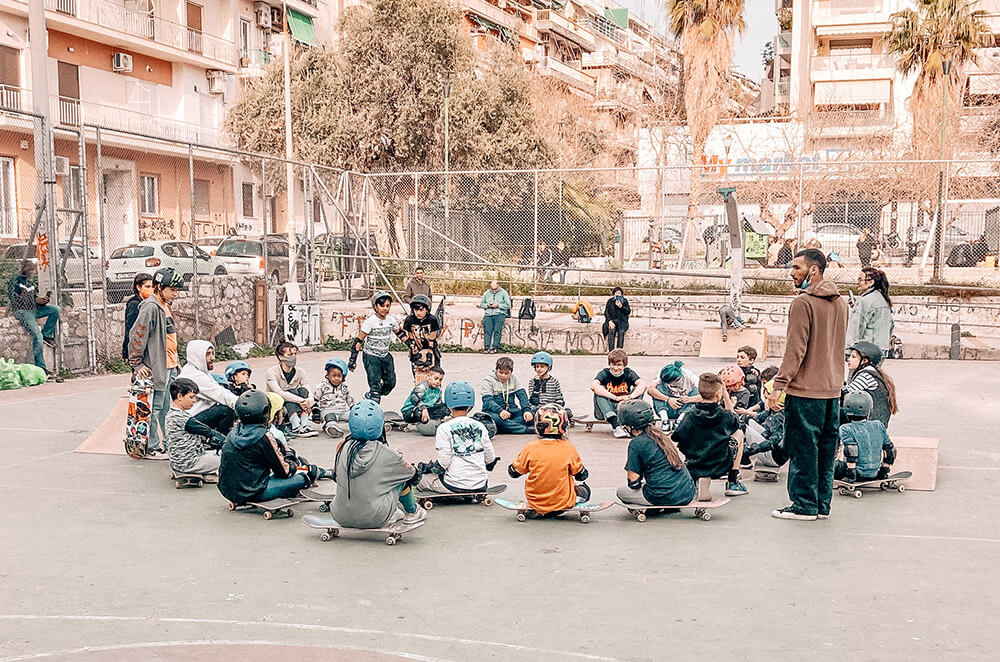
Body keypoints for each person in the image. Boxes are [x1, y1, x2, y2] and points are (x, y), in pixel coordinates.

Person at [768, 248, 848, 521]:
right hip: (832, 390)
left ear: (813, 270)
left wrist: (779, 384)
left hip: (805, 391)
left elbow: (795, 349)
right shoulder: (841, 303)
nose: (791, 273)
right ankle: (821, 505)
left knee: (803, 448)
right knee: (826, 450)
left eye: (796, 267)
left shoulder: (802, 303)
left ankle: (803, 505)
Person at [330, 400, 426, 528]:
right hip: (375, 518)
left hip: (339, 516)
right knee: (401, 478)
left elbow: (336, 477)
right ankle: (413, 512)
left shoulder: (342, 447)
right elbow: (412, 475)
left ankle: (388, 512)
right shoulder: (388, 454)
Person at [217, 390, 318, 506]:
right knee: (302, 478)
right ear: (266, 412)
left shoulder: (232, 433)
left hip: (227, 492)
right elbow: (284, 472)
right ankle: (311, 473)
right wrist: (290, 457)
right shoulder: (264, 436)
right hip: (255, 492)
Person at [128, 267, 183, 455]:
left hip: (170, 365)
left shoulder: (165, 305)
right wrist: (137, 363)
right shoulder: (150, 307)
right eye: (172, 290)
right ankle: (151, 446)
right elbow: (137, 335)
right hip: (157, 367)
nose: (175, 294)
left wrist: (176, 361)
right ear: (159, 287)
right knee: (154, 408)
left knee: (168, 408)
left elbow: (169, 337)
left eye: (177, 290)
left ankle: (169, 443)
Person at [671, 373, 748, 499]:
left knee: (695, 435)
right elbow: (735, 421)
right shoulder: (724, 416)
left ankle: (694, 479)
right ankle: (733, 481)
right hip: (720, 464)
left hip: (694, 462)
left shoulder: (689, 416)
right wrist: (725, 395)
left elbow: (677, 436)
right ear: (718, 393)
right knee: (739, 434)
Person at [507, 404, 592, 517]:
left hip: (536, 502)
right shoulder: (568, 448)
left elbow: (513, 473)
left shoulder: (530, 447)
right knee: (585, 490)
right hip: (562, 503)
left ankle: (543, 507)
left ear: (538, 426)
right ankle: (561, 503)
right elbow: (582, 475)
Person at [416, 381, 499, 494]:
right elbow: (490, 458)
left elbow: (444, 461)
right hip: (480, 484)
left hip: (453, 485)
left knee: (421, 481)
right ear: (471, 405)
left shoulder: (444, 428)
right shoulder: (480, 426)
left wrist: (432, 469)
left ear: (448, 405)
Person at [616, 400, 697, 508]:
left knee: (621, 491)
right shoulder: (661, 436)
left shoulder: (636, 443)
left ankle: (655, 507)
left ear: (629, 426)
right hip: (687, 493)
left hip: (662, 496)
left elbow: (633, 482)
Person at [7, 261, 61, 379]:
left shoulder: (30, 283)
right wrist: (35, 301)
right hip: (22, 312)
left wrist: (41, 300)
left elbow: (33, 298)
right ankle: (41, 368)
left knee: (55, 310)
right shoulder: (15, 281)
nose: (30, 271)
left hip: (33, 309)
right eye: (29, 269)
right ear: (23, 268)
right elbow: (16, 300)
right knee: (37, 336)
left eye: (32, 269)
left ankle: (47, 334)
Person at [349, 291, 406, 403]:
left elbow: (400, 334)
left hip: (385, 356)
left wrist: (413, 347)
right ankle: (373, 405)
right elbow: (358, 341)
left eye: (388, 306)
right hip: (371, 357)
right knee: (375, 386)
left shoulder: (391, 320)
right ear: (375, 306)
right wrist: (352, 359)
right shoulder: (370, 322)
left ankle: (372, 394)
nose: (385, 309)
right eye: (382, 305)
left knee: (390, 383)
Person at [164, 377, 224, 478]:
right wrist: (227, 441)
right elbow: (208, 431)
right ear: (180, 396)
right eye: (191, 397)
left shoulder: (170, 414)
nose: (194, 401)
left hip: (178, 461)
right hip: (190, 463)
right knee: (229, 458)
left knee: (213, 454)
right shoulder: (183, 418)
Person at [177, 340, 237, 435]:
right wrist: (241, 404)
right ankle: (224, 445)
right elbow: (220, 394)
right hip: (189, 422)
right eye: (208, 354)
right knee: (226, 410)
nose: (212, 358)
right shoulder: (195, 376)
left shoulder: (195, 371)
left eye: (213, 353)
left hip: (191, 419)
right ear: (197, 356)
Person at [835, 392, 897, 482]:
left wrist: (851, 474)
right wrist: (883, 470)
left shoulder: (846, 428)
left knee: (830, 466)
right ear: (869, 411)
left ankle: (851, 473)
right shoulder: (878, 425)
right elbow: (890, 450)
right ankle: (884, 472)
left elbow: (851, 450)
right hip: (875, 473)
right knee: (890, 447)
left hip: (857, 473)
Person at [590, 349, 646, 438]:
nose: (616, 368)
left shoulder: (628, 373)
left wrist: (629, 398)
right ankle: (615, 425)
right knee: (599, 390)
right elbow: (593, 386)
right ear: (609, 364)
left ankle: (626, 423)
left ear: (624, 365)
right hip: (605, 410)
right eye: (613, 365)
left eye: (619, 365)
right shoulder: (604, 373)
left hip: (624, 408)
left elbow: (643, 385)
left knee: (638, 389)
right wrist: (615, 398)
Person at [265, 341, 317, 438]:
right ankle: (295, 426)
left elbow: (307, 386)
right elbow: (279, 392)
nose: (293, 357)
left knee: (303, 391)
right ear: (281, 357)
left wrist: (309, 401)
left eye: (294, 354)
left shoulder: (300, 371)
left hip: (295, 402)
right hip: (277, 403)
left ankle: (304, 424)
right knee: (291, 392)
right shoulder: (272, 372)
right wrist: (301, 400)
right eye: (290, 354)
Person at [843, 340, 898, 429]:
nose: (848, 359)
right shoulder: (872, 372)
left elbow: (846, 394)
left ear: (864, 360)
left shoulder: (866, 375)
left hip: (870, 424)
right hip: (876, 424)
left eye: (853, 357)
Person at [846, 267, 894, 354]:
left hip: (866, 351)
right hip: (881, 349)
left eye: (860, 280)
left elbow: (856, 328)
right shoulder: (883, 299)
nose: (857, 283)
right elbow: (890, 325)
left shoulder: (865, 301)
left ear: (870, 282)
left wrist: (849, 351)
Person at [481, 356, 533, 434]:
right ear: (496, 370)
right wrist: (500, 411)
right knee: (499, 420)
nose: (504, 376)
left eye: (506, 373)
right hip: (494, 412)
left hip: (511, 411)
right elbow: (487, 401)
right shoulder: (488, 381)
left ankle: (505, 427)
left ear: (511, 372)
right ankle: (525, 429)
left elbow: (522, 395)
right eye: (501, 373)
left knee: (531, 415)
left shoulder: (514, 378)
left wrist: (527, 410)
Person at [646, 360, 698, 430]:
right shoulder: (663, 374)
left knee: (697, 391)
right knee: (657, 389)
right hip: (667, 407)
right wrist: (668, 399)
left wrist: (690, 399)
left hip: (685, 408)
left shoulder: (689, 376)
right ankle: (665, 421)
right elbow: (650, 390)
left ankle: (680, 421)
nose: (672, 384)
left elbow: (707, 395)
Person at [401, 366, 450, 436]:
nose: (438, 382)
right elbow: (414, 398)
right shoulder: (422, 387)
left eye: (440, 380)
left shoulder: (438, 390)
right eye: (436, 378)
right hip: (411, 410)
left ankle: (432, 421)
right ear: (428, 377)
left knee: (445, 408)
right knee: (419, 413)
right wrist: (423, 408)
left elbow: (438, 404)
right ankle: (414, 423)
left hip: (427, 410)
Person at [314, 357, 355, 438]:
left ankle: (369, 426)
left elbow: (349, 399)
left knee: (354, 417)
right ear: (328, 375)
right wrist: (315, 412)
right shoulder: (322, 386)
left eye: (339, 376)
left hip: (343, 410)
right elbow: (315, 399)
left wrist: (355, 409)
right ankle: (332, 428)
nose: (336, 378)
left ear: (343, 377)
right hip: (328, 410)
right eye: (333, 376)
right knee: (330, 418)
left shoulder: (345, 387)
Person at [527, 351, 572, 422]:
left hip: (552, 408)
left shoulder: (554, 381)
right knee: (530, 412)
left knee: (566, 412)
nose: (539, 369)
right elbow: (533, 400)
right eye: (537, 366)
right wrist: (537, 384)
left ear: (548, 367)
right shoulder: (532, 381)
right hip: (538, 408)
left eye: (542, 366)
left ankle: (565, 417)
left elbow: (559, 398)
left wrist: (556, 407)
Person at [402, 294, 441, 372]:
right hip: (417, 350)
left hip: (431, 349)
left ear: (427, 309)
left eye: (421, 310)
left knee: (434, 375)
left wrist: (429, 355)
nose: (418, 313)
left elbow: (432, 339)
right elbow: (411, 339)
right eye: (415, 310)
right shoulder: (410, 320)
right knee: (418, 375)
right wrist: (416, 355)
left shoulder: (432, 319)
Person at [121, 272, 153, 361]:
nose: (151, 289)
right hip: (138, 347)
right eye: (147, 287)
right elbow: (130, 328)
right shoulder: (134, 304)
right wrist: (126, 352)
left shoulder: (151, 303)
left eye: (152, 286)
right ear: (138, 287)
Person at [479, 280, 511, 354]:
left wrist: (498, 305)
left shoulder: (504, 293)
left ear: (498, 286)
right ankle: (486, 347)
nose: (493, 290)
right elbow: (482, 304)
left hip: (499, 313)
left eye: (495, 289)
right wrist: (488, 305)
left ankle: (495, 347)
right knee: (487, 331)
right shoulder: (487, 293)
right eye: (492, 289)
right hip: (488, 314)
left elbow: (507, 305)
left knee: (497, 331)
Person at [602, 287, 631, 351]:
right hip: (612, 321)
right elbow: (606, 312)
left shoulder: (625, 301)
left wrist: (621, 307)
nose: (618, 294)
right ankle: (611, 351)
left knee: (621, 332)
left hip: (622, 322)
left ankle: (619, 351)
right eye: (616, 293)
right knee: (611, 330)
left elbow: (628, 311)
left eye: (619, 293)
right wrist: (609, 321)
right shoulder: (610, 301)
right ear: (614, 294)